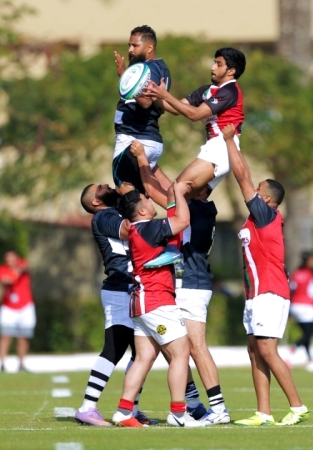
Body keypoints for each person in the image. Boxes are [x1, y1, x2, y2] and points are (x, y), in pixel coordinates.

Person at [129, 140, 230, 424]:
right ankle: (193, 402)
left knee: (194, 346)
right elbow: (168, 185)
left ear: (200, 189)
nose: (183, 184)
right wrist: (151, 162)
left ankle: (218, 408)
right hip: (189, 283)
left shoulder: (195, 209)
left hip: (191, 284)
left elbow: (155, 190)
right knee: (173, 346)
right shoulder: (198, 206)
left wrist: (142, 159)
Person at [220, 125, 310, 427]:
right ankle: (263, 412)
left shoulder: (266, 215)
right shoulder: (254, 220)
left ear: (268, 199)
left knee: (268, 350)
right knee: (255, 351)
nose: (253, 191)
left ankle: (297, 406)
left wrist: (230, 142)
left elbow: (242, 176)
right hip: (255, 295)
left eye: (259, 189)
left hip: (270, 292)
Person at [110, 181, 206, 428]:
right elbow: (183, 221)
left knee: (144, 358)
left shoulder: (139, 229)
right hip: (157, 301)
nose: (151, 201)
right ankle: (178, 413)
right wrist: (178, 193)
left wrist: (174, 198)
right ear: (142, 211)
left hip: (141, 303)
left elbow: (173, 223)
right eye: (147, 200)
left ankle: (123, 411)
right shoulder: (149, 228)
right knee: (181, 354)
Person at [75, 182, 155, 427]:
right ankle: (87, 407)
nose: (107, 185)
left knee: (142, 352)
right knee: (114, 348)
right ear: (95, 202)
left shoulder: (116, 210)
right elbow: (131, 230)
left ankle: (131, 408)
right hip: (119, 289)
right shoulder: (103, 216)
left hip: (132, 287)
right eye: (100, 187)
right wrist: (131, 196)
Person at [143, 47, 245, 198]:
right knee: (191, 200)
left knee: (175, 192)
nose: (213, 67)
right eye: (214, 62)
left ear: (231, 71)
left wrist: (165, 95)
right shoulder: (207, 90)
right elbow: (177, 108)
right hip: (217, 147)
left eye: (218, 64)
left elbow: (195, 114)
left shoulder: (229, 91)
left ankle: (150, 208)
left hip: (222, 147)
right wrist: (153, 95)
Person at [112, 25, 173, 194]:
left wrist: (124, 76)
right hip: (142, 137)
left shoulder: (151, 68)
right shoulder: (155, 67)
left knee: (126, 192)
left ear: (149, 47)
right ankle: (181, 209)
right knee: (143, 194)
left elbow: (146, 102)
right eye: (129, 45)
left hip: (136, 138)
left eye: (135, 45)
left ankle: (183, 211)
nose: (130, 50)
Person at [0, 250, 35, 373]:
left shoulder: (22, 264)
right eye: (8, 260)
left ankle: (21, 364)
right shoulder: (1, 269)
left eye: (12, 259)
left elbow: (27, 266)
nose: (10, 262)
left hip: (25, 306)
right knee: (5, 336)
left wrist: (17, 270)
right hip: (8, 307)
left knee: (23, 337)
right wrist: (14, 274)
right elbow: (6, 280)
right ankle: (2, 364)